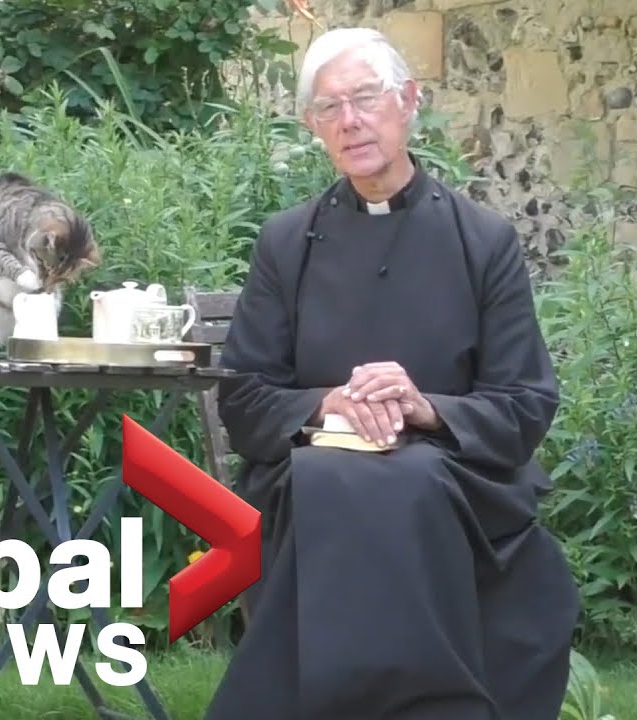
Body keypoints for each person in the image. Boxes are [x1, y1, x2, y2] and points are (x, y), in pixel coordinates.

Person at [204, 26, 581, 720]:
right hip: (312, 468)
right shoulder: (286, 244)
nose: (349, 121)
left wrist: (425, 409)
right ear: (315, 127)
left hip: (453, 477)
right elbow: (246, 398)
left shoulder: (483, 242)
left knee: (411, 479)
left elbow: (526, 403)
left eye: (365, 99)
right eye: (329, 108)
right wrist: (330, 403)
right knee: (340, 481)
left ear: (407, 102)